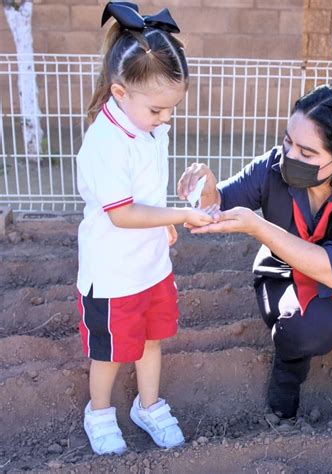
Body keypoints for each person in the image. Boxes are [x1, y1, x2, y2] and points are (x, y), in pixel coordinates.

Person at [178, 84, 332, 422]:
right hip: (287, 276)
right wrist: (207, 188)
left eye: (307, 153)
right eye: (288, 141)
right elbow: (218, 204)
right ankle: (287, 373)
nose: (290, 157)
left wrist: (259, 227)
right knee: (309, 324)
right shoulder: (272, 169)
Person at [76, 2, 216, 455]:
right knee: (111, 351)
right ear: (119, 92)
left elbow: (145, 199)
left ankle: (148, 405)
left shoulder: (149, 127)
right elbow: (120, 214)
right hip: (113, 274)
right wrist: (177, 217)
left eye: (171, 110)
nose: (166, 120)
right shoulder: (105, 141)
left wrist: (166, 219)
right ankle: (99, 412)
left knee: (152, 339)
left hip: (151, 264)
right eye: (158, 110)